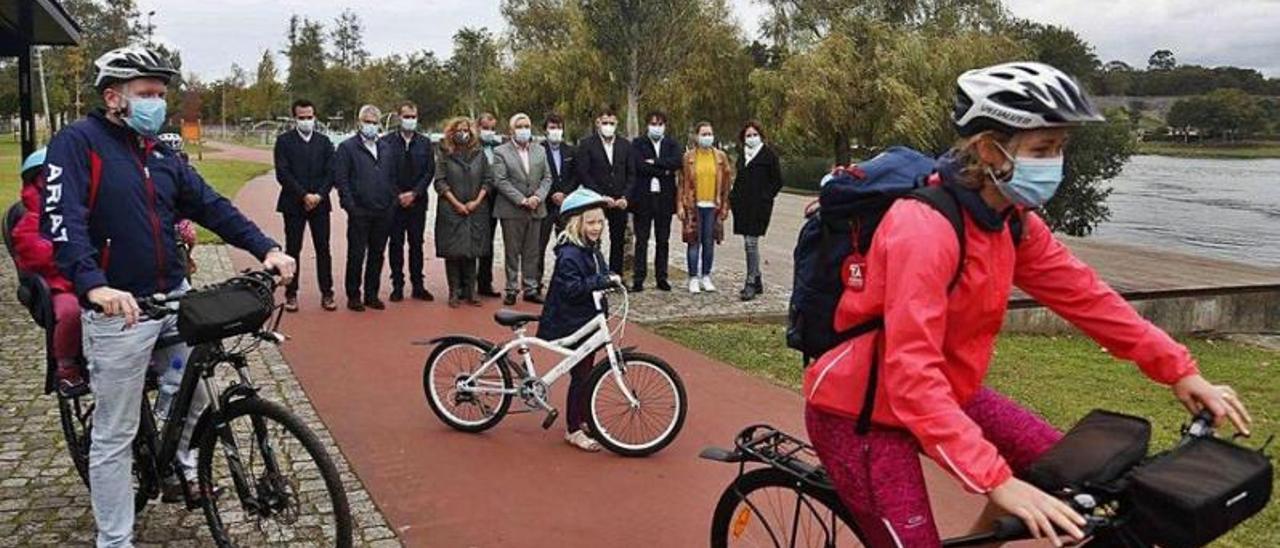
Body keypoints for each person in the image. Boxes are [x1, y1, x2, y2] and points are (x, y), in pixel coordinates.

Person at [802, 62, 1253, 548]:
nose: (1054, 162)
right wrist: (996, 480)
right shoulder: (923, 229)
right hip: (862, 413)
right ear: (988, 149)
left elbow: (1088, 298)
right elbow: (911, 374)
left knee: (1063, 470)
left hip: (950, 392)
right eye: (1041, 149)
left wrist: (1179, 370)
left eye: (1059, 147)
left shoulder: (1011, 221)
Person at [45, 46, 295, 548]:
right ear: (114, 96)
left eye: (161, 94)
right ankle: (115, 539)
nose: (157, 103)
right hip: (118, 309)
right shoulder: (78, 144)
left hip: (171, 297)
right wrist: (94, 285)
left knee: (198, 395)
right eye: (146, 94)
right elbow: (62, 221)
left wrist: (265, 246)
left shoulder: (161, 153)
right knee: (113, 437)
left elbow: (209, 205)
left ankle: (178, 460)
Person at [537, 187, 620, 453]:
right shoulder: (569, 254)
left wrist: (609, 278)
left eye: (600, 222)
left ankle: (583, 418)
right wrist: (600, 281)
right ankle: (573, 429)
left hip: (588, 319)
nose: (597, 227)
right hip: (571, 320)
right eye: (591, 222)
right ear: (577, 223)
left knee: (586, 373)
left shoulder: (591, 249)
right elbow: (572, 288)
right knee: (581, 375)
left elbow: (601, 272)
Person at [10, 148, 86, 396]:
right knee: (70, 311)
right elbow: (38, 253)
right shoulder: (30, 220)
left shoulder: (80, 208)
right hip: (59, 284)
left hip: (89, 276)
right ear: (38, 181)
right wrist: (73, 252)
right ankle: (65, 365)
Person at [274, 98, 337, 312]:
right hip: (293, 204)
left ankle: (327, 293)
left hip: (320, 204)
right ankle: (291, 293)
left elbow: (331, 172)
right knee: (293, 249)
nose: (306, 121)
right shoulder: (284, 142)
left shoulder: (324, 142)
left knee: (323, 249)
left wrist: (319, 195)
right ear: (295, 118)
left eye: (309, 117)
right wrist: (303, 195)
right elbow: (283, 173)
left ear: (315, 117)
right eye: (302, 118)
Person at [334, 104, 396, 311]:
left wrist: (391, 202)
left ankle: (372, 294)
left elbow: (392, 177)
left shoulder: (386, 148)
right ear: (359, 123)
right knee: (356, 254)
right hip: (359, 210)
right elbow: (342, 180)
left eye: (374, 122)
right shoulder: (347, 148)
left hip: (383, 210)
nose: (370, 126)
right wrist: (350, 206)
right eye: (367, 122)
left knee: (377, 254)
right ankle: (354, 295)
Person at [492, 113, 553, 305]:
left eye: (526, 126)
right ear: (511, 130)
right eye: (519, 126)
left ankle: (530, 287)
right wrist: (521, 199)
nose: (524, 130)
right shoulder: (501, 152)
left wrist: (537, 197)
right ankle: (511, 288)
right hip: (512, 209)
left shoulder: (539, 151)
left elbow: (547, 178)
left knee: (532, 251)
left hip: (536, 208)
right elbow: (500, 180)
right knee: (512, 251)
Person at [433, 117, 495, 308]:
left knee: (472, 250)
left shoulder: (479, 154)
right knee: (453, 251)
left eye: (466, 130)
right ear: (452, 132)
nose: (463, 133)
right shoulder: (444, 152)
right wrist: (456, 202)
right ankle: (454, 292)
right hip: (451, 209)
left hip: (476, 209)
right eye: (459, 130)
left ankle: (471, 291)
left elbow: (488, 179)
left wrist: (477, 201)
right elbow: (440, 181)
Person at [381, 101, 437, 302]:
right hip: (394, 203)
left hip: (418, 201)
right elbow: (384, 172)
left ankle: (418, 285)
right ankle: (397, 284)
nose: (410, 120)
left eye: (413, 117)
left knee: (416, 244)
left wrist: (414, 193)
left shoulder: (425, 143)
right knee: (395, 244)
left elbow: (429, 171)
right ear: (398, 117)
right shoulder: (386, 142)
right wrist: (398, 195)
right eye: (406, 116)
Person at [574, 106, 635, 274]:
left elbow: (631, 174)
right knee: (593, 238)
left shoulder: (625, 145)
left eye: (611, 123)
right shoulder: (587, 144)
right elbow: (584, 173)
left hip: (619, 202)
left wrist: (625, 197)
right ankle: (594, 273)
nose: (608, 126)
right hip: (596, 200)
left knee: (618, 240)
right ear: (598, 123)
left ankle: (615, 275)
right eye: (605, 122)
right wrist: (600, 196)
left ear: (616, 124)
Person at [728, 121, 784, 301]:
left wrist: (766, 196)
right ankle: (757, 277)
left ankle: (750, 281)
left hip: (759, 206)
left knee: (751, 243)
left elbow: (777, 181)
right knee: (748, 242)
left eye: (754, 134)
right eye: (748, 135)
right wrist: (733, 198)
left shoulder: (768, 156)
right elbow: (739, 180)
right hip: (743, 206)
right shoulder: (743, 157)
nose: (751, 138)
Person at [677, 121, 732, 293]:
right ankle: (693, 277)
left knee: (709, 242)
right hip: (694, 205)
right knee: (694, 241)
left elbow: (726, 185)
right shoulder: (689, 158)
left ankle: (706, 275)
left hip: (712, 206)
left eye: (710, 134)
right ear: (696, 136)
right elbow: (681, 182)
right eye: (704, 134)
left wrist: (724, 206)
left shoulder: (720, 157)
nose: (707, 137)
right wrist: (680, 204)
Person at [630, 111, 681, 292]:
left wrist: (655, 162)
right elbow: (639, 165)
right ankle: (638, 278)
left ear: (665, 126)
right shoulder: (638, 143)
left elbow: (676, 162)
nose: (656, 127)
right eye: (653, 123)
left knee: (663, 240)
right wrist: (663, 170)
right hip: (643, 198)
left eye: (659, 124)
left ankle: (662, 277)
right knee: (642, 240)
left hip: (665, 198)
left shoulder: (672, 144)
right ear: (647, 125)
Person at [538, 113, 577, 293]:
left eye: (559, 127)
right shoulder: (538, 150)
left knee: (567, 246)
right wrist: (552, 193)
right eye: (552, 127)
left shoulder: (570, 151)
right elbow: (537, 176)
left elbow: (576, 175)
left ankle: (564, 280)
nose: (556, 131)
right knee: (539, 245)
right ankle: (535, 283)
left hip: (565, 205)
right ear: (545, 130)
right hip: (545, 204)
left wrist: (565, 193)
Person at [475, 112, 504, 298]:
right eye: (485, 128)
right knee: (472, 240)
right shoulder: (471, 148)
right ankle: (465, 283)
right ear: (477, 127)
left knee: (488, 242)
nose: (489, 132)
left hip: (495, 199)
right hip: (476, 198)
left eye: (492, 128)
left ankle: (485, 282)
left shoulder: (499, 148)